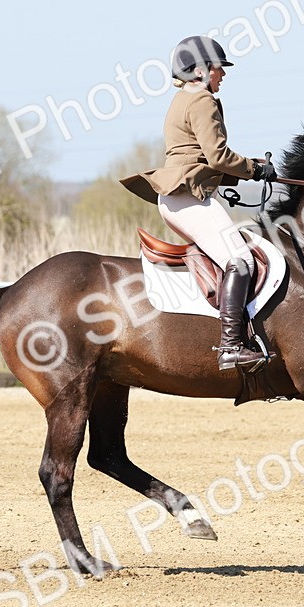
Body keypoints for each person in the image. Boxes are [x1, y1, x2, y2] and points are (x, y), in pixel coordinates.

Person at [121, 35, 275, 371]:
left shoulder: (185, 97)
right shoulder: (201, 98)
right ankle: (231, 347)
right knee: (241, 259)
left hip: (183, 194)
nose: (223, 74)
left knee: (232, 255)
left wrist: (249, 171)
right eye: (219, 68)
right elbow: (218, 156)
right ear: (202, 70)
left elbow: (201, 158)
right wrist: (255, 169)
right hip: (185, 198)